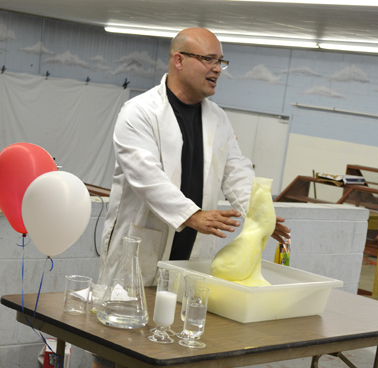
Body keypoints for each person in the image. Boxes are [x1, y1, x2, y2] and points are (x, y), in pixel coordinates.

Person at [92, 27, 290, 368]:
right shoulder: (139, 112)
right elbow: (146, 177)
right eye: (208, 59)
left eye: (220, 61)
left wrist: (261, 216)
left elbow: (237, 172)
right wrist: (191, 215)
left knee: (174, 346)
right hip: (140, 248)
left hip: (191, 254)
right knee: (117, 345)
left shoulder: (218, 119)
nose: (216, 69)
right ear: (179, 60)